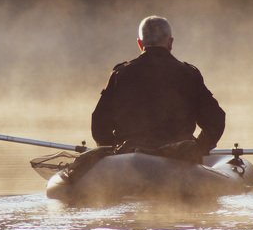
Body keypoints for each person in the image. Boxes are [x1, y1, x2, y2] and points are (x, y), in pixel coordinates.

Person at [90, 15, 225, 157]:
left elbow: (99, 124)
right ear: (170, 42)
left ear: (140, 44)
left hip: (129, 159)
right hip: (178, 159)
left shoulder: (120, 74)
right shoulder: (189, 74)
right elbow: (215, 121)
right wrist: (198, 148)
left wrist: (115, 151)